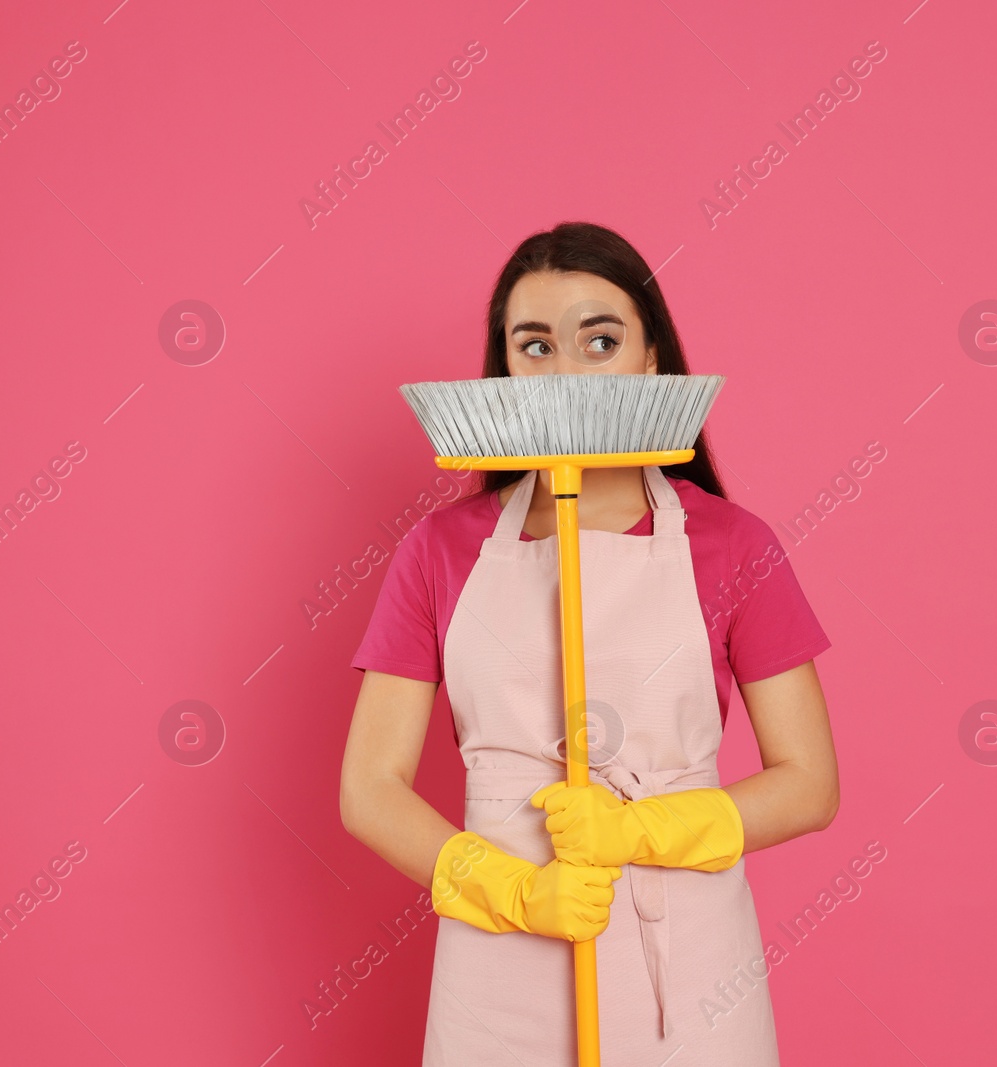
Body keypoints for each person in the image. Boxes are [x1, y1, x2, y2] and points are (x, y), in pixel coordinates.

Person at [339, 221, 839, 1065]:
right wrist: (512, 889)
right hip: (499, 963)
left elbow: (810, 785)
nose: (565, 370)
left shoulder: (734, 546)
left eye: (598, 340)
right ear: (505, 373)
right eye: (533, 346)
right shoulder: (440, 549)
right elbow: (368, 788)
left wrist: (639, 831)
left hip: (686, 965)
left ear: (651, 361)